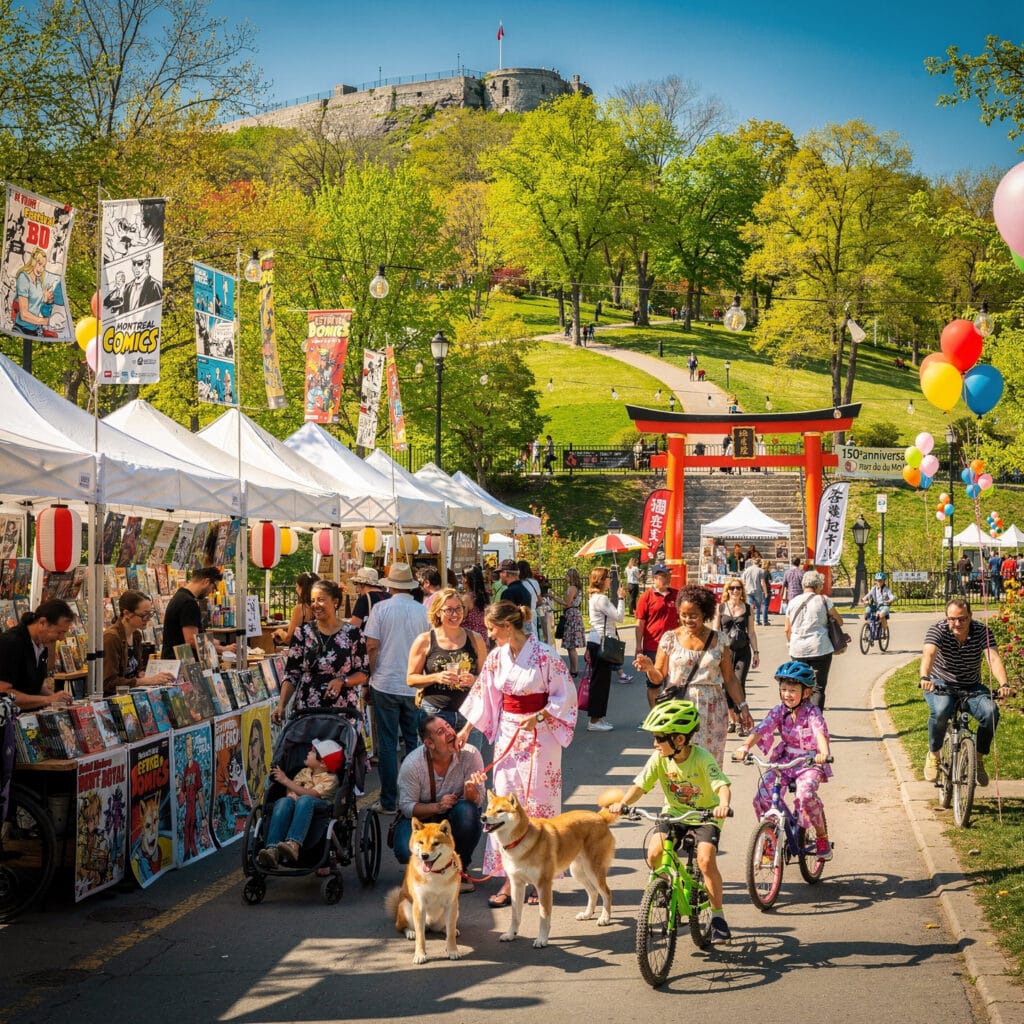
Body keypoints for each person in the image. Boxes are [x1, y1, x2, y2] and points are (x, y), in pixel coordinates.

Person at [457, 600, 577, 908]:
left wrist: (539, 716)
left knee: (539, 804)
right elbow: (485, 694)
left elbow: (565, 695)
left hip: (541, 733)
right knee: (505, 803)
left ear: (508, 627)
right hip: (509, 732)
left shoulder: (545, 656)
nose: (489, 635)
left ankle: (541, 876)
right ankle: (511, 879)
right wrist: (467, 729)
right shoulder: (497, 657)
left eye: (492, 629)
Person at [607, 699, 734, 944]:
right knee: (654, 854)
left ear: (679, 739)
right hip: (674, 813)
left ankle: (717, 917)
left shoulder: (702, 758)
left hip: (705, 815)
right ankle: (665, 884)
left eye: (659, 738)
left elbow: (722, 785)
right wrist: (624, 803)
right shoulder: (659, 759)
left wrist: (723, 805)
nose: (655, 744)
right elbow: (640, 785)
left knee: (706, 860)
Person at [632, 584, 752, 767]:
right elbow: (658, 677)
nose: (687, 619)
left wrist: (742, 707)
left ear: (705, 614)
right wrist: (649, 668)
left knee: (709, 764)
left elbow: (729, 679)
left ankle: (710, 796)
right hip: (678, 709)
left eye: (693, 615)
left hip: (712, 710)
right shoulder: (670, 638)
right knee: (679, 763)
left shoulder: (719, 640)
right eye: (683, 615)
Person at [732, 660, 833, 861]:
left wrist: (823, 752)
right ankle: (769, 836)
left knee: (805, 796)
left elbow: (820, 733)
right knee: (763, 795)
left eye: (792, 690)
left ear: (806, 692)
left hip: (809, 763)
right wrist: (745, 747)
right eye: (784, 689)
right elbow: (762, 729)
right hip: (785, 760)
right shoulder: (779, 711)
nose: (787, 694)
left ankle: (821, 836)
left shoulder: (813, 712)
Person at [919, 597, 1010, 787]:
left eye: (962, 619)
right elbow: (929, 653)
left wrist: (1004, 683)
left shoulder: (981, 631)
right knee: (942, 710)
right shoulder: (938, 630)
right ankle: (934, 755)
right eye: (952, 619)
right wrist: (925, 677)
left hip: (971, 686)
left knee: (991, 713)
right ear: (946, 618)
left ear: (970, 617)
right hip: (940, 683)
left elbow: (992, 659)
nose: (957, 623)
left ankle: (977, 760)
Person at [365, 563, 430, 815]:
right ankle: (413, 798)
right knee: (413, 742)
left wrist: (372, 674)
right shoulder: (422, 611)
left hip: (385, 681)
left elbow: (372, 646)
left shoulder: (381, 608)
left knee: (388, 744)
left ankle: (390, 800)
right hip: (413, 683)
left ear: (390, 585)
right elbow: (428, 646)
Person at [395, 715, 485, 892]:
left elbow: (478, 801)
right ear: (430, 744)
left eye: (448, 726)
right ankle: (426, 875)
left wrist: (470, 790)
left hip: (454, 816)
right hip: (422, 819)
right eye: (441, 732)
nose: (450, 733)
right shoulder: (413, 764)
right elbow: (406, 807)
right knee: (405, 848)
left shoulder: (470, 754)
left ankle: (460, 869)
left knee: (468, 812)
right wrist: (437, 806)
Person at [274, 580, 367, 723]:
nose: (315, 605)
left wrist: (343, 681)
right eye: (312, 600)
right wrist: (281, 705)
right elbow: (292, 674)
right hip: (308, 711)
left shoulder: (353, 633)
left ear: (335, 602)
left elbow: (363, 673)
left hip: (343, 713)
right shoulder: (302, 633)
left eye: (321, 600)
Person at [255, 738, 344, 868]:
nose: (308, 752)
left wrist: (286, 780)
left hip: (320, 807)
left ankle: (293, 844)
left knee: (305, 799)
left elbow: (312, 794)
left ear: (323, 764)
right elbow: (293, 787)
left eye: (313, 751)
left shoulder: (330, 779)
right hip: (300, 804)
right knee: (284, 801)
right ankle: (272, 849)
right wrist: (291, 794)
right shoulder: (304, 772)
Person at [407, 589, 487, 731]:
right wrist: (437, 677)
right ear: (438, 612)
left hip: (470, 714)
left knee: (471, 753)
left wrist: (473, 679)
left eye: (459, 609)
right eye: (449, 610)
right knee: (436, 754)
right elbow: (411, 679)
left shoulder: (476, 639)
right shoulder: (425, 640)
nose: (455, 614)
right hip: (436, 713)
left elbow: (486, 678)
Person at [785, 570, 846, 710]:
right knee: (818, 687)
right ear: (818, 585)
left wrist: (792, 643)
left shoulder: (793, 602)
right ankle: (816, 722)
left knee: (799, 685)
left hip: (797, 650)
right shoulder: (823, 600)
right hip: (820, 647)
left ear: (803, 585)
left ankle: (800, 720)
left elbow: (787, 629)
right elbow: (839, 621)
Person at [0, 599, 75, 711]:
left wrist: (57, 697)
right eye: (59, 632)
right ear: (42, 622)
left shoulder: (41, 645)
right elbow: (3, 693)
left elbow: (32, 686)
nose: (61, 638)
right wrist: (48, 700)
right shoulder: (10, 643)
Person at [103, 590, 175, 695]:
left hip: (132, 694)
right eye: (144, 615)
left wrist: (147, 675)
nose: (148, 619)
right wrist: (146, 680)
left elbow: (135, 672)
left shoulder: (136, 635)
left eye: (151, 614)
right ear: (127, 613)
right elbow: (109, 683)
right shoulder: (111, 638)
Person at [713, 577, 759, 736]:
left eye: (738, 588)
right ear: (727, 590)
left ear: (742, 590)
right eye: (732, 588)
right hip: (725, 651)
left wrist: (756, 652)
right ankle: (732, 719)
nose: (735, 591)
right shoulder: (720, 608)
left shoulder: (748, 608)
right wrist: (714, 653)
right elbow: (715, 632)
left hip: (743, 650)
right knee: (726, 686)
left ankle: (740, 720)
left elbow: (751, 632)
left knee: (738, 682)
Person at [160, 566, 234, 660]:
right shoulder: (188, 603)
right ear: (206, 581)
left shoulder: (181, 596)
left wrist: (219, 643)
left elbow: (195, 635)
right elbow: (192, 640)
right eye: (214, 587)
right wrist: (222, 649)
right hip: (179, 665)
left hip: (174, 661)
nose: (212, 592)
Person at [586, 567, 626, 731]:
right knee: (600, 683)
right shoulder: (601, 598)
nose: (610, 580)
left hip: (596, 641)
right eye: (608, 577)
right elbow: (620, 617)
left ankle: (599, 718)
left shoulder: (594, 597)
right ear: (602, 580)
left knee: (601, 682)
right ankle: (594, 720)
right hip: (602, 641)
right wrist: (621, 598)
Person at [636, 564, 680, 710]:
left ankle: (670, 715)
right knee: (654, 684)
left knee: (673, 683)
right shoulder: (646, 597)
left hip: (674, 647)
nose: (668, 578)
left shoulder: (677, 595)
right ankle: (655, 715)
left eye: (669, 574)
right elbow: (640, 623)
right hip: (653, 646)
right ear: (655, 578)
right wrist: (638, 646)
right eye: (664, 575)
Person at [12, 247, 57, 336]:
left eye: (43, 266)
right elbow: (24, 315)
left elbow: (38, 308)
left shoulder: (39, 283)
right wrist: (45, 321)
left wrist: (47, 302)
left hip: (35, 330)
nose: (41, 269)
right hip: (21, 329)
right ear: (33, 262)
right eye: (39, 264)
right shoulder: (23, 277)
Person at [553, 567, 585, 676]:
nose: (565, 577)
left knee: (571, 646)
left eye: (567, 575)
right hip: (575, 614)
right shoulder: (578, 587)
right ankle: (573, 669)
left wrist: (553, 597)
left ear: (570, 576)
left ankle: (574, 670)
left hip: (571, 614)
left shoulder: (572, 588)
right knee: (571, 646)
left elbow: (566, 603)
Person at [273, 572, 319, 647]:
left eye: (297, 586)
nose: (296, 589)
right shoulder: (323, 607)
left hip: (304, 651)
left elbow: (289, 639)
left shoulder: (301, 608)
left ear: (303, 588)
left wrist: (280, 632)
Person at [742, 557, 769, 628]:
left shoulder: (746, 570)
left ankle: (749, 620)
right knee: (758, 606)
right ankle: (757, 620)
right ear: (759, 563)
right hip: (757, 590)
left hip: (748, 590)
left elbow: (743, 582)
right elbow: (762, 582)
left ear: (752, 562)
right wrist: (765, 592)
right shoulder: (761, 571)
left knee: (749, 606)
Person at [518, 560, 542, 636]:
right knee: (533, 635)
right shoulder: (534, 582)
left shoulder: (517, 584)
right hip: (532, 612)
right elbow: (540, 600)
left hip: (520, 614)